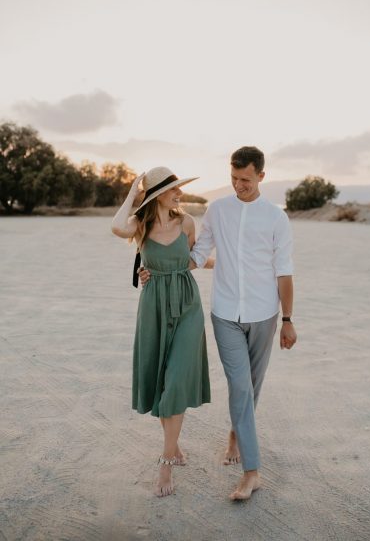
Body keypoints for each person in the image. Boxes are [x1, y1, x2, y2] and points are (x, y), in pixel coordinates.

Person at [141, 146, 297, 501]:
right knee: (240, 386)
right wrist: (158, 268)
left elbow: (284, 272)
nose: (238, 185)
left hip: (265, 314)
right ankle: (252, 473)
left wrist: (288, 319)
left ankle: (236, 434)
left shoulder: (276, 218)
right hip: (225, 313)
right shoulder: (218, 210)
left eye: (245, 179)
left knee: (252, 386)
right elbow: (196, 255)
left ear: (261, 176)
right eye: (233, 178)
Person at [111, 166, 212, 498]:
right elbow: (115, 226)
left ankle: (165, 462)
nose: (179, 194)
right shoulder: (141, 226)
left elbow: (194, 259)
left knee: (177, 380)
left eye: (179, 189)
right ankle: (175, 444)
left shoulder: (187, 223)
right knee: (160, 380)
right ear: (156, 196)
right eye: (173, 190)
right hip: (153, 305)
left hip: (187, 304)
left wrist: (229, 262)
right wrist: (133, 192)